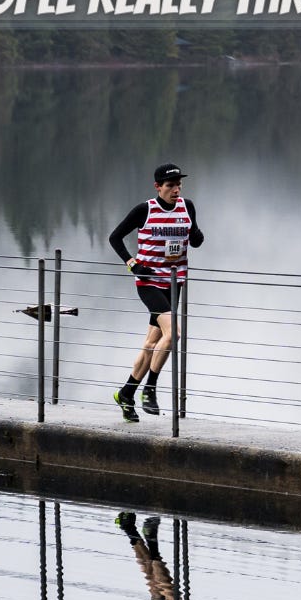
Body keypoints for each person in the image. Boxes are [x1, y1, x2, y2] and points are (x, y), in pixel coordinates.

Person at [107, 163, 204, 423]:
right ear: (158, 187)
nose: (176, 190)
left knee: (152, 343)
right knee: (174, 333)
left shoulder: (188, 207)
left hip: (175, 282)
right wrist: (131, 263)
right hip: (149, 282)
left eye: (178, 185)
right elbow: (115, 237)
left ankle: (126, 394)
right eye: (170, 186)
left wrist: (195, 233)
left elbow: (195, 239)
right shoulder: (145, 210)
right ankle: (150, 388)